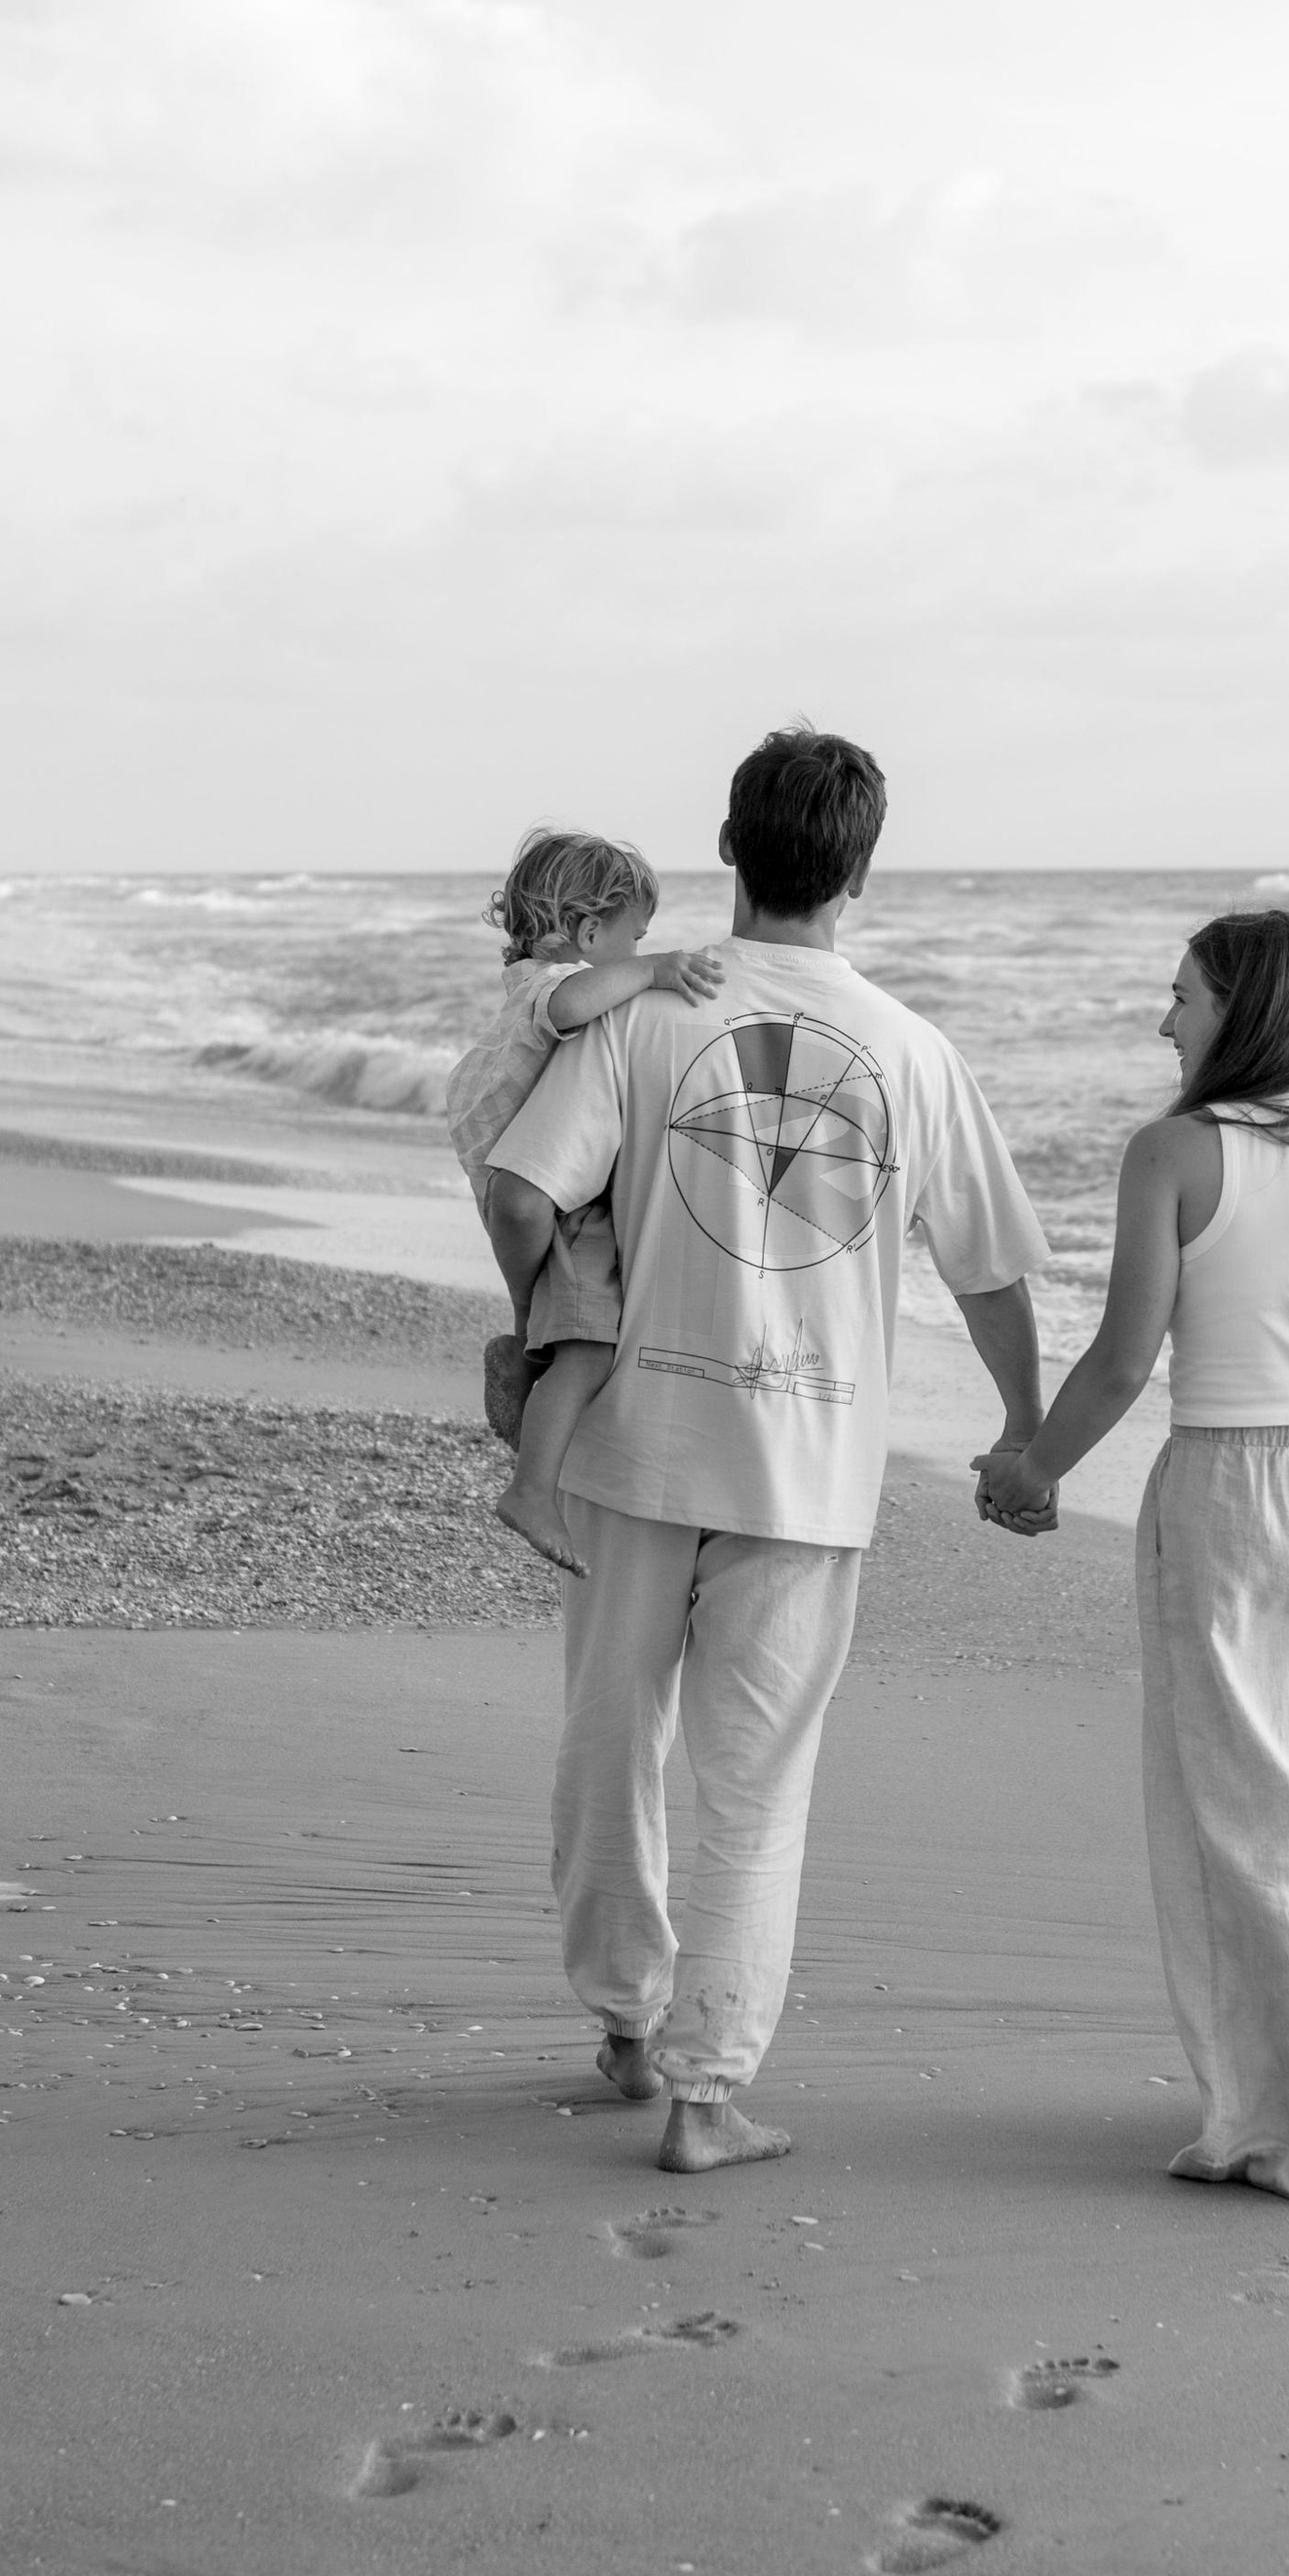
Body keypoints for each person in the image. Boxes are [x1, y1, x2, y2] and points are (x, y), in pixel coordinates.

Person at [482, 727, 1052, 2176]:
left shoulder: (642, 1015)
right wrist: (1024, 1426)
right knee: (756, 1785)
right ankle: (707, 2095)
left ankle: (624, 2025)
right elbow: (990, 1274)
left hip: (629, 1443)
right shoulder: (915, 1052)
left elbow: (526, 1187)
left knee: (611, 1741)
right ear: (861, 872)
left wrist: (536, 1328)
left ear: (729, 847)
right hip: (807, 1467)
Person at [976, 906, 1289, 2209]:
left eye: (1183, 995)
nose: (1165, 1020)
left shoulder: (1176, 1153)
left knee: (1252, 1818)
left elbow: (1125, 1356)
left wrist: (1034, 1469)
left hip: (1234, 1483)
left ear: (1240, 1008)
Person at [447, 828, 727, 1573]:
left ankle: (522, 1360)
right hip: (551, 1193)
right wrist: (655, 972)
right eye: (635, 938)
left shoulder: (525, 987)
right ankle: (531, 1488)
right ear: (587, 932)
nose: (639, 953)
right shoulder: (555, 986)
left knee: (560, 1326)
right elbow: (575, 1002)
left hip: (528, 1179)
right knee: (589, 1346)